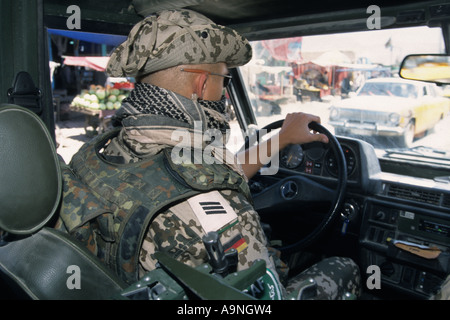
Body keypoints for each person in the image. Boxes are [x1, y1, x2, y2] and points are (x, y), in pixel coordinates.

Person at [58, 9, 360, 299]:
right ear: (201, 84)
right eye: (224, 81)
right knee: (345, 267)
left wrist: (281, 138)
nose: (225, 94)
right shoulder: (222, 213)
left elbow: (190, 177)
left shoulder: (100, 152)